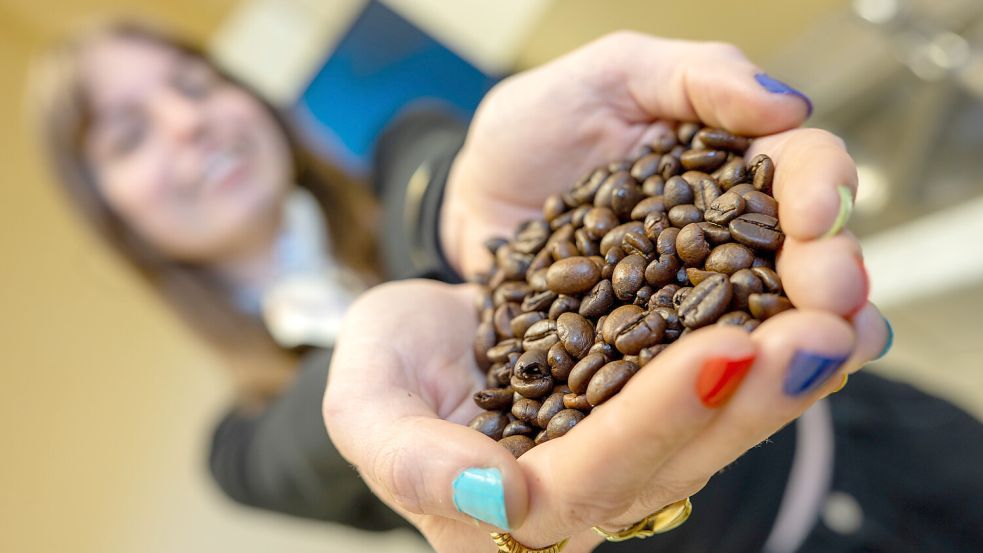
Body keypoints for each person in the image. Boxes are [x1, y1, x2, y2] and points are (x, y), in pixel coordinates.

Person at [31, 18, 980, 553]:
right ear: (117, 217)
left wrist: (451, 217)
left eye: (194, 86)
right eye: (128, 134)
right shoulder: (238, 448)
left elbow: (440, 181)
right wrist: (379, 340)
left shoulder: (401, 153)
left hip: (879, 437)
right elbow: (306, 443)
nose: (186, 125)